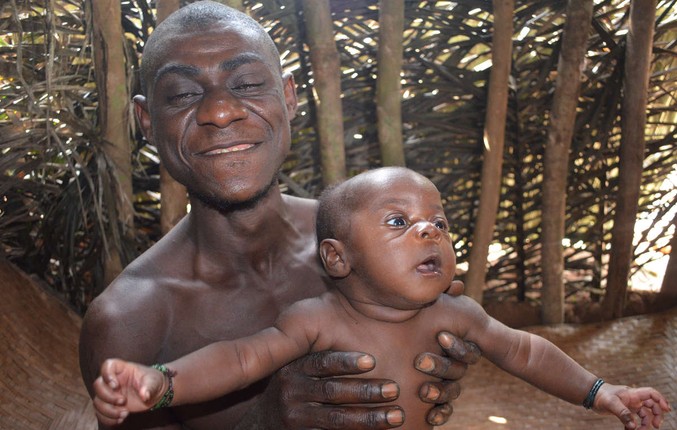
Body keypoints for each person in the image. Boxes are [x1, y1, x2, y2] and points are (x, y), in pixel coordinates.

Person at [78, 2, 481, 429]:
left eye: (248, 83)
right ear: (146, 121)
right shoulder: (128, 324)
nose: (220, 111)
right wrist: (265, 421)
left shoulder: (369, 246)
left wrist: (433, 340)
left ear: (288, 97)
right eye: (182, 94)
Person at [92, 167, 671, 430]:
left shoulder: (457, 313)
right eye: (399, 221)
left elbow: (526, 352)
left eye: (439, 223)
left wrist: (602, 392)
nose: (430, 233)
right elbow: (238, 360)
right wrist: (161, 383)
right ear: (339, 259)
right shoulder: (315, 320)